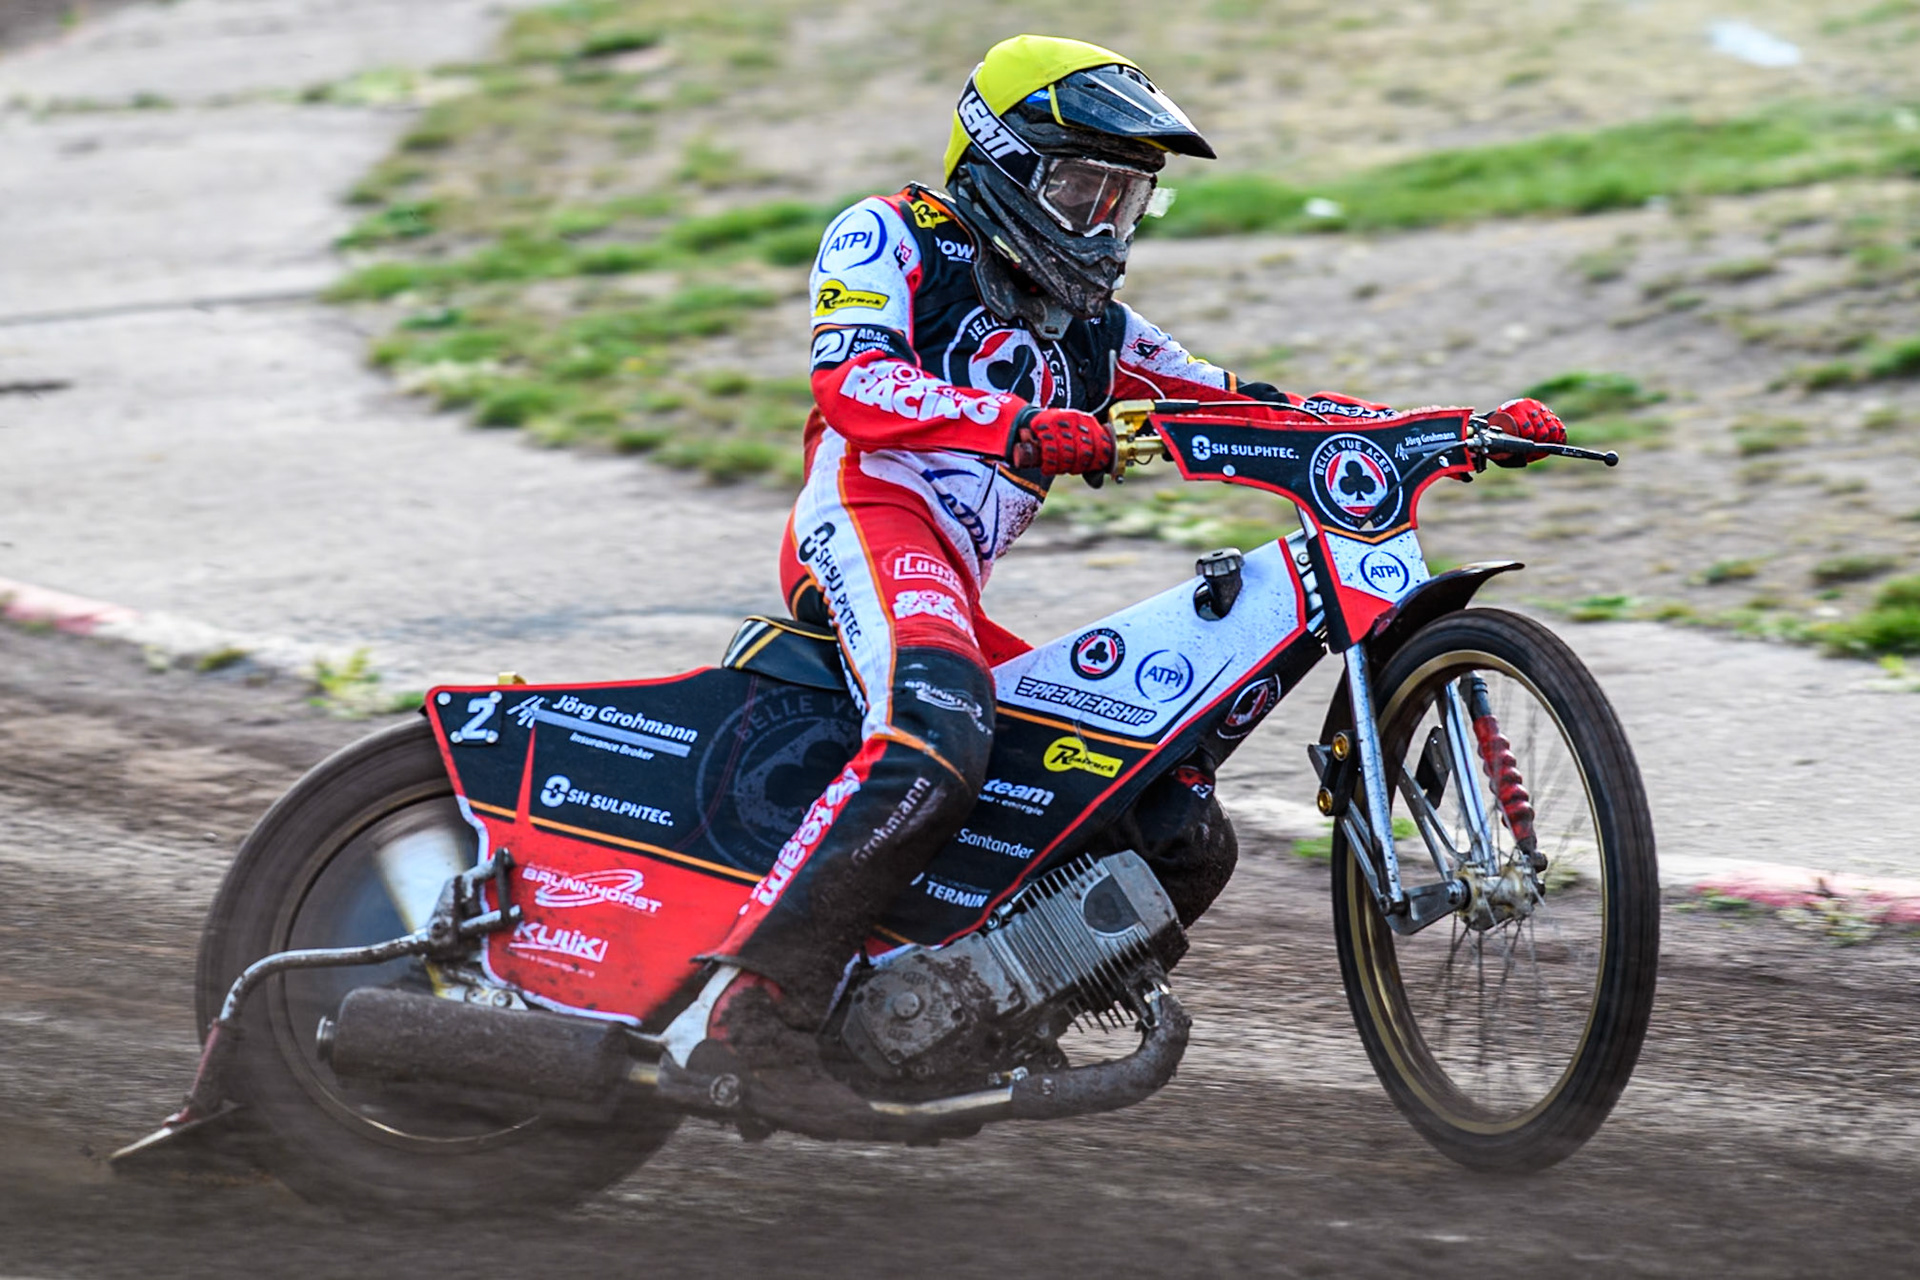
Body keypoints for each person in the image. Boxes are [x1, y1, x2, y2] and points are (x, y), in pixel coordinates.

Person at [672, 34, 1566, 1121]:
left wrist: (1446, 427)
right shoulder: (892, 234)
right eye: (1082, 188)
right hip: (867, 519)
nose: (1104, 223)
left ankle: (965, 1012)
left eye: (1125, 200)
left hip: (952, 582)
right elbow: (852, 380)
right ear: (1000, 164)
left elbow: (1249, 407)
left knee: (1171, 818)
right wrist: (1025, 429)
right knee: (938, 733)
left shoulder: (1099, 329)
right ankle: (751, 1010)